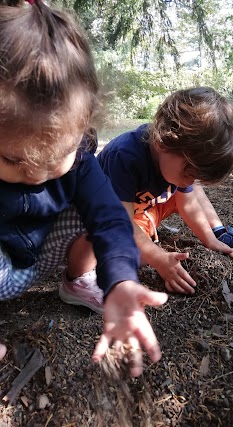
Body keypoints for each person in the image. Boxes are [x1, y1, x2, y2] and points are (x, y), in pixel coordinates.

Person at [0, 0, 168, 377]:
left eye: (54, 157)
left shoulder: (79, 159)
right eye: (13, 160)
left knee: (96, 208)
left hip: (39, 259)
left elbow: (111, 221)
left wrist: (121, 281)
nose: (37, 175)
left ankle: (78, 283)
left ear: (82, 128)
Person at [66, 87, 233, 299]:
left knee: (191, 191)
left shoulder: (172, 159)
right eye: (189, 173)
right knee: (111, 249)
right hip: (108, 217)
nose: (190, 179)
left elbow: (187, 203)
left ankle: (218, 233)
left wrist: (208, 240)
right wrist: (158, 257)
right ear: (162, 142)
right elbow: (119, 222)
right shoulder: (125, 156)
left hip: (144, 209)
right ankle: (76, 281)